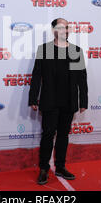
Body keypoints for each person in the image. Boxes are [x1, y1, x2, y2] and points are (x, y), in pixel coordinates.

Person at [29, 18, 88, 185]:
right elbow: (37, 76)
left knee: (63, 135)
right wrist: (33, 97)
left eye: (67, 27)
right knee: (48, 135)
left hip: (69, 100)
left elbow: (82, 79)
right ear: (54, 29)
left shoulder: (76, 51)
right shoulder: (45, 50)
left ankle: (61, 167)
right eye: (61, 27)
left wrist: (83, 100)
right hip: (50, 100)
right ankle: (43, 169)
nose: (65, 30)